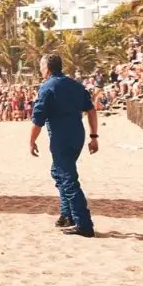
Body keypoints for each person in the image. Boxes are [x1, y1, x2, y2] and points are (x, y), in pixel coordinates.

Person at [29, 53, 99, 237]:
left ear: (47, 68)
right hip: (78, 135)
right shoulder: (75, 85)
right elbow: (91, 111)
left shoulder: (47, 87)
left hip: (61, 137)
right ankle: (67, 215)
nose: (40, 70)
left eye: (41, 67)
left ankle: (84, 224)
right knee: (59, 173)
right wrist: (94, 136)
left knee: (68, 179)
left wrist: (31, 141)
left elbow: (38, 119)